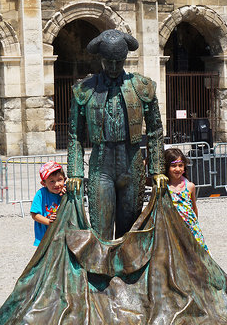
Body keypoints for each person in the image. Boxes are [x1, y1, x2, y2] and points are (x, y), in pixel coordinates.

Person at [66, 29, 167, 240]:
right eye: (108, 62)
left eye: (118, 62)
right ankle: (101, 272)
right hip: (100, 163)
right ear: (101, 59)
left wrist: (157, 169)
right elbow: (75, 134)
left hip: (131, 161)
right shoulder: (84, 89)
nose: (113, 67)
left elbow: (156, 129)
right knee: (100, 227)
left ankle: (126, 271)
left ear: (125, 59)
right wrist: (75, 172)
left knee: (129, 229)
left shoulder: (142, 86)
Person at [165, 147, 209, 253]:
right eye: (173, 166)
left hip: (191, 227)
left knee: (198, 253)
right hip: (173, 228)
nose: (178, 169)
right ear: (166, 167)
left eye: (180, 165)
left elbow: (194, 208)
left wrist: (196, 225)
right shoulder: (164, 188)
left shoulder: (190, 186)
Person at [30, 161, 66, 247]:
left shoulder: (65, 192)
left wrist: (68, 193)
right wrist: (49, 221)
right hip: (45, 235)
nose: (56, 184)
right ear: (43, 183)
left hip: (62, 234)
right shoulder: (41, 194)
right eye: (52, 181)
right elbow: (34, 215)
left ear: (65, 179)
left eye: (59, 180)